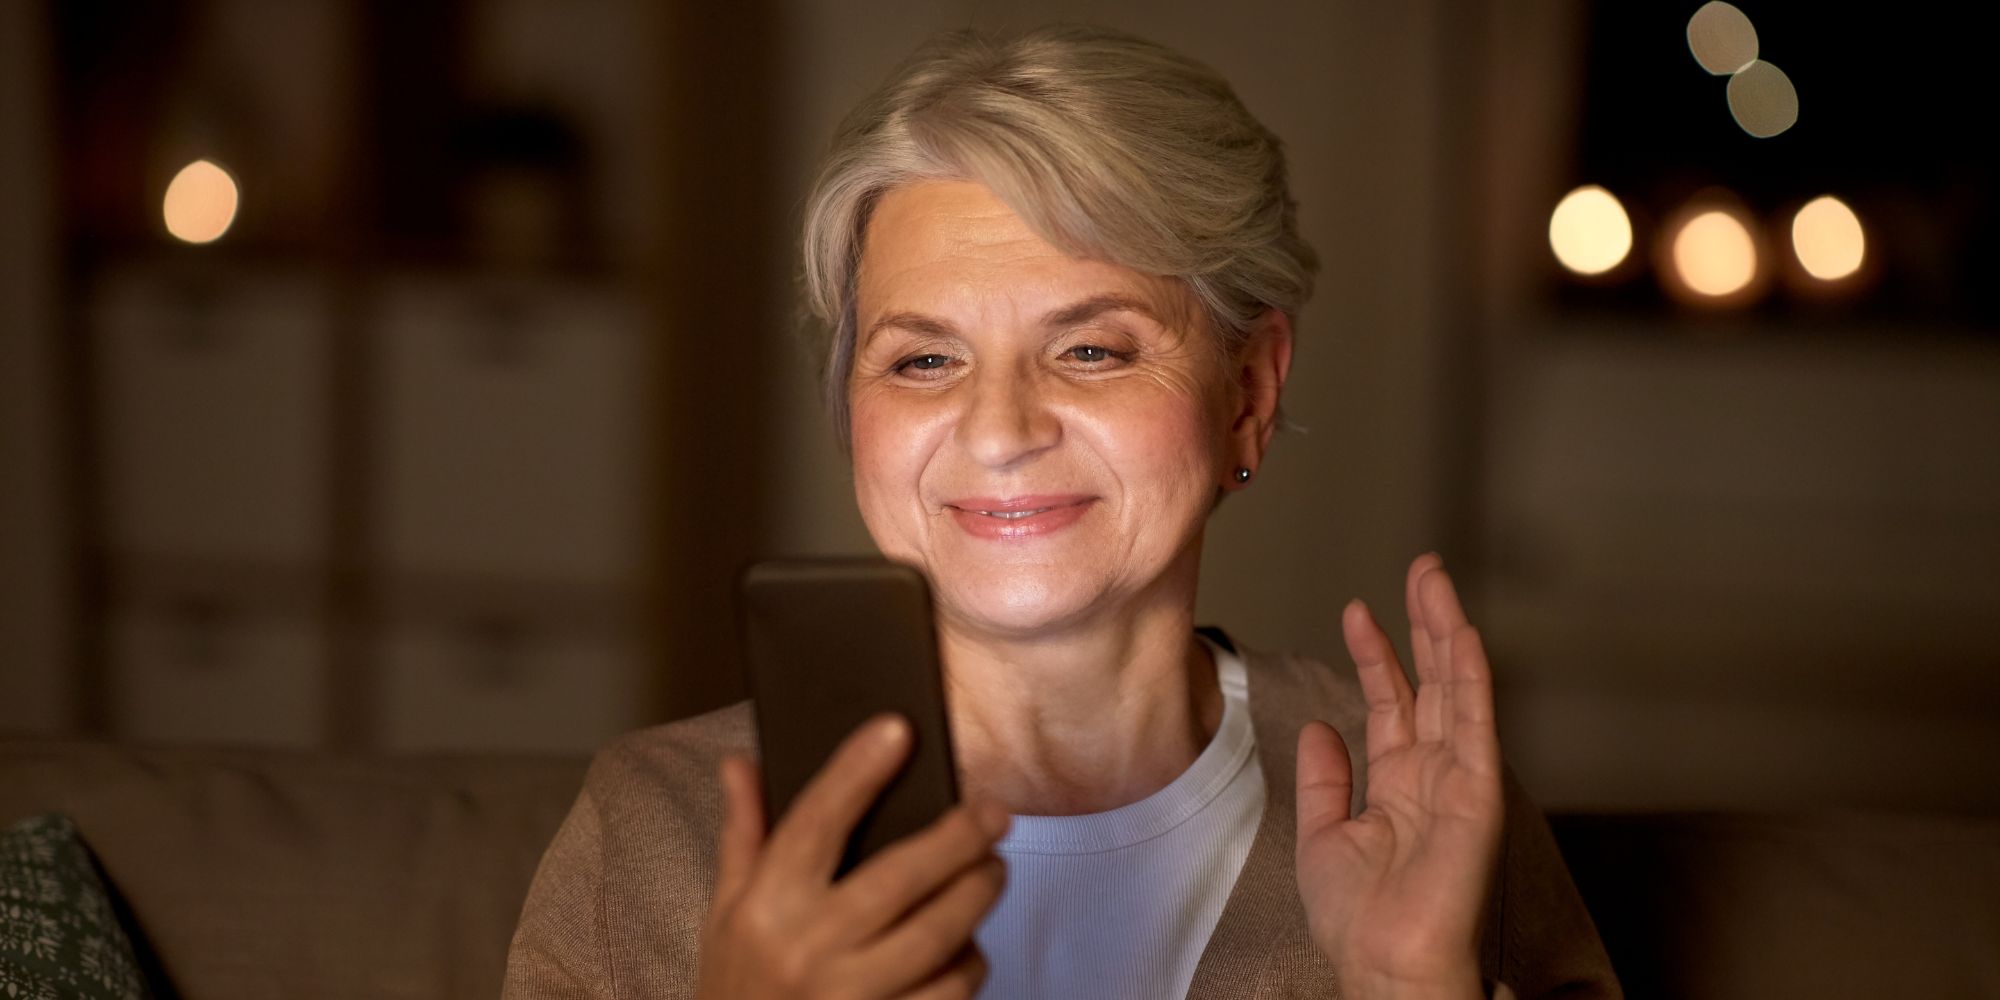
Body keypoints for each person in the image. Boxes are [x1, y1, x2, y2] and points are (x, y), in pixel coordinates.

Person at [505, 24, 1618, 1000]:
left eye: (1091, 348)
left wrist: (1410, 990)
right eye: (924, 357)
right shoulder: (652, 830)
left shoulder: (1422, 794)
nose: (997, 429)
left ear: (1248, 395)